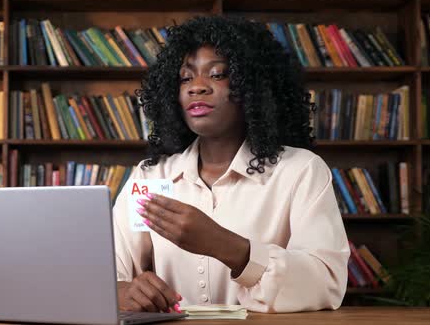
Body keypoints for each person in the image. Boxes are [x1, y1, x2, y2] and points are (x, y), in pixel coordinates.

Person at [112, 16, 350, 313]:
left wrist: (227, 246)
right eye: (185, 77)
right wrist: (123, 292)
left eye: (217, 74)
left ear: (253, 86)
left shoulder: (300, 171)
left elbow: (326, 283)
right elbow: (109, 271)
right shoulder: (151, 176)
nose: (196, 87)